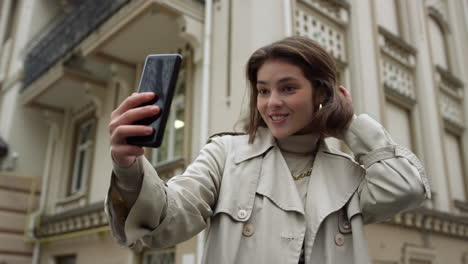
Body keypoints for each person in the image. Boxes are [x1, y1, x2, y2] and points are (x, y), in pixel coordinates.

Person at [106, 36, 430, 264]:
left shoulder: (349, 172)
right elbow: (165, 219)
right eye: (263, 90)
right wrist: (128, 166)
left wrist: (349, 123)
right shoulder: (225, 154)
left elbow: (406, 187)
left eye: (288, 88)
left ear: (322, 91)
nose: (272, 103)